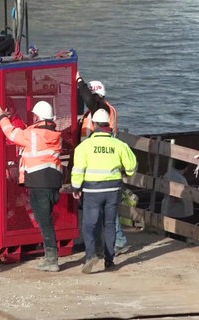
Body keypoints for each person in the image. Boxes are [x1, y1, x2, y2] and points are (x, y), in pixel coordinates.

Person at [0, 100, 63, 272]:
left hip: (38, 183)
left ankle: (52, 260)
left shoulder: (32, 135)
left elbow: (11, 133)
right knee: (46, 220)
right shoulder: (55, 135)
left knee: (44, 222)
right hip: (53, 182)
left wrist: (0, 116)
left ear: (37, 117)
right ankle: (49, 257)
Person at [71, 109, 137, 274]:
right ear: (108, 124)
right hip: (113, 189)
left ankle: (90, 255)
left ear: (93, 125)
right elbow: (131, 167)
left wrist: (76, 187)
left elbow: (78, 169)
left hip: (92, 190)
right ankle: (109, 260)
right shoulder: (119, 145)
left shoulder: (84, 146)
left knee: (89, 224)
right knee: (109, 224)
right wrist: (126, 173)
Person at [76, 71, 129, 256]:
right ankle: (105, 242)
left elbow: (91, 102)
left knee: (107, 209)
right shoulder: (97, 111)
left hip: (100, 164)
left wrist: (79, 82)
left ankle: (119, 241)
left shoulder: (102, 109)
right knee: (104, 207)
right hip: (97, 161)